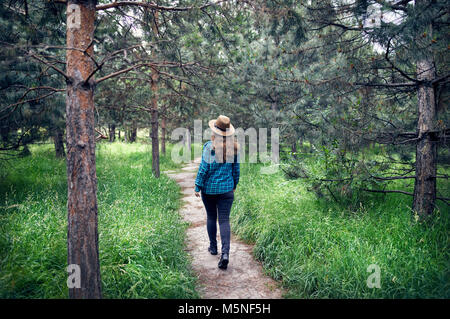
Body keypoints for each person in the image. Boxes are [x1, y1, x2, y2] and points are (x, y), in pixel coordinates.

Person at [194, 115, 240, 270]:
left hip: (209, 190)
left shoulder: (209, 147)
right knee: (225, 220)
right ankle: (225, 253)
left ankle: (213, 248)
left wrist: (197, 185)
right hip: (227, 190)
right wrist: (234, 184)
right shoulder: (234, 148)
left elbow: (204, 169)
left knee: (212, 217)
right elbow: (236, 170)